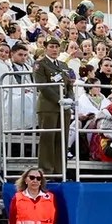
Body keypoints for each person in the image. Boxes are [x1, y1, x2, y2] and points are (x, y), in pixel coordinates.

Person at [33, 37, 75, 177]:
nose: (54, 49)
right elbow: (42, 85)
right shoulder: (40, 64)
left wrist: (70, 99)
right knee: (47, 139)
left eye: (57, 47)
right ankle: (46, 171)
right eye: (51, 46)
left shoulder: (63, 65)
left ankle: (60, 170)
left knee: (62, 139)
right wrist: (59, 99)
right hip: (48, 106)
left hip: (64, 108)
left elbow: (69, 85)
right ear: (45, 47)